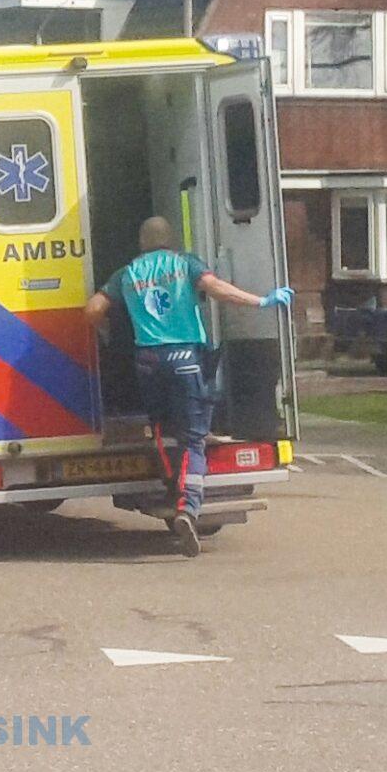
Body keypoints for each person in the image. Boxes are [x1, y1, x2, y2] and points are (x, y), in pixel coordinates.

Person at [84, 218, 292, 557]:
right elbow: (217, 290)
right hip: (185, 359)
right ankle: (187, 507)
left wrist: (107, 332)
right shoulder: (185, 263)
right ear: (171, 241)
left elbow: (92, 309)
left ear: (142, 242)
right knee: (193, 439)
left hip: (147, 362)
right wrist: (262, 302)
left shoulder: (127, 273)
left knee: (163, 430)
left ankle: (171, 489)